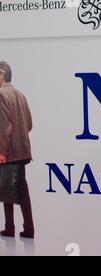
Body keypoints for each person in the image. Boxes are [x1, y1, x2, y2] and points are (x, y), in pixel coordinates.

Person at [0, 61, 34, 239]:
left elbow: (4, 127)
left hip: (9, 153)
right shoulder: (20, 94)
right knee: (19, 189)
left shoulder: (1, 94)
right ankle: (23, 228)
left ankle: (13, 228)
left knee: (8, 188)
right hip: (23, 151)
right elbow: (29, 123)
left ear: (1, 75)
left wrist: (2, 152)